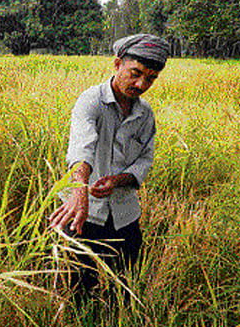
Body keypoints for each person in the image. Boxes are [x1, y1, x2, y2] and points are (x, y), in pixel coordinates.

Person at [49, 33, 170, 307]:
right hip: (84, 213)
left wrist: (117, 180)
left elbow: (144, 161)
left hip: (125, 215)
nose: (141, 84)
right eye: (135, 73)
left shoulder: (145, 114)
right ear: (117, 64)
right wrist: (80, 190)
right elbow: (82, 147)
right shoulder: (90, 101)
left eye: (150, 78)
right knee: (79, 288)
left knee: (125, 285)